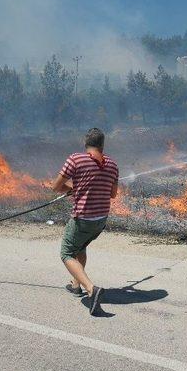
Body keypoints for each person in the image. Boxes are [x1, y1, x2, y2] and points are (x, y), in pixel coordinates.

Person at [51, 128, 119, 315]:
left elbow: (56, 186)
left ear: (85, 143)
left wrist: (71, 187)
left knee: (66, 253)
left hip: (83, 218)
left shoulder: (75, 159)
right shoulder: (112, 164)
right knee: (80, 247)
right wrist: (80, 186)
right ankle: (75, 284)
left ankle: (90, 288)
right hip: (101, 220)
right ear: (102, 145)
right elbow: (113, 194)